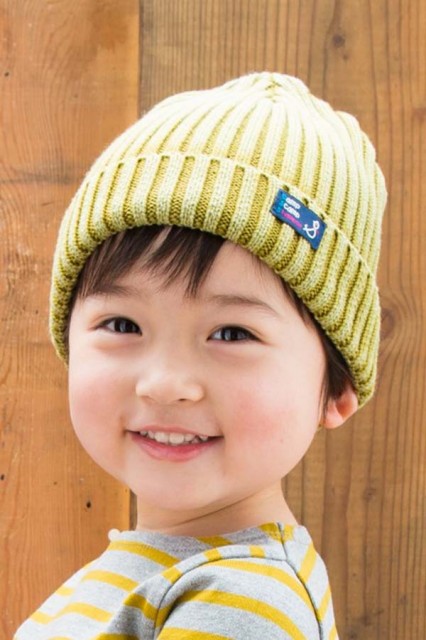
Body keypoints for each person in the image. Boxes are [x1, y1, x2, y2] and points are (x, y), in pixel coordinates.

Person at [15, 71, 387, 639]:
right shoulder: (153, 570)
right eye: (122, 324)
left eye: (232, 334)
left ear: (336, 389)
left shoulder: (241, 603)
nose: (165, 383)